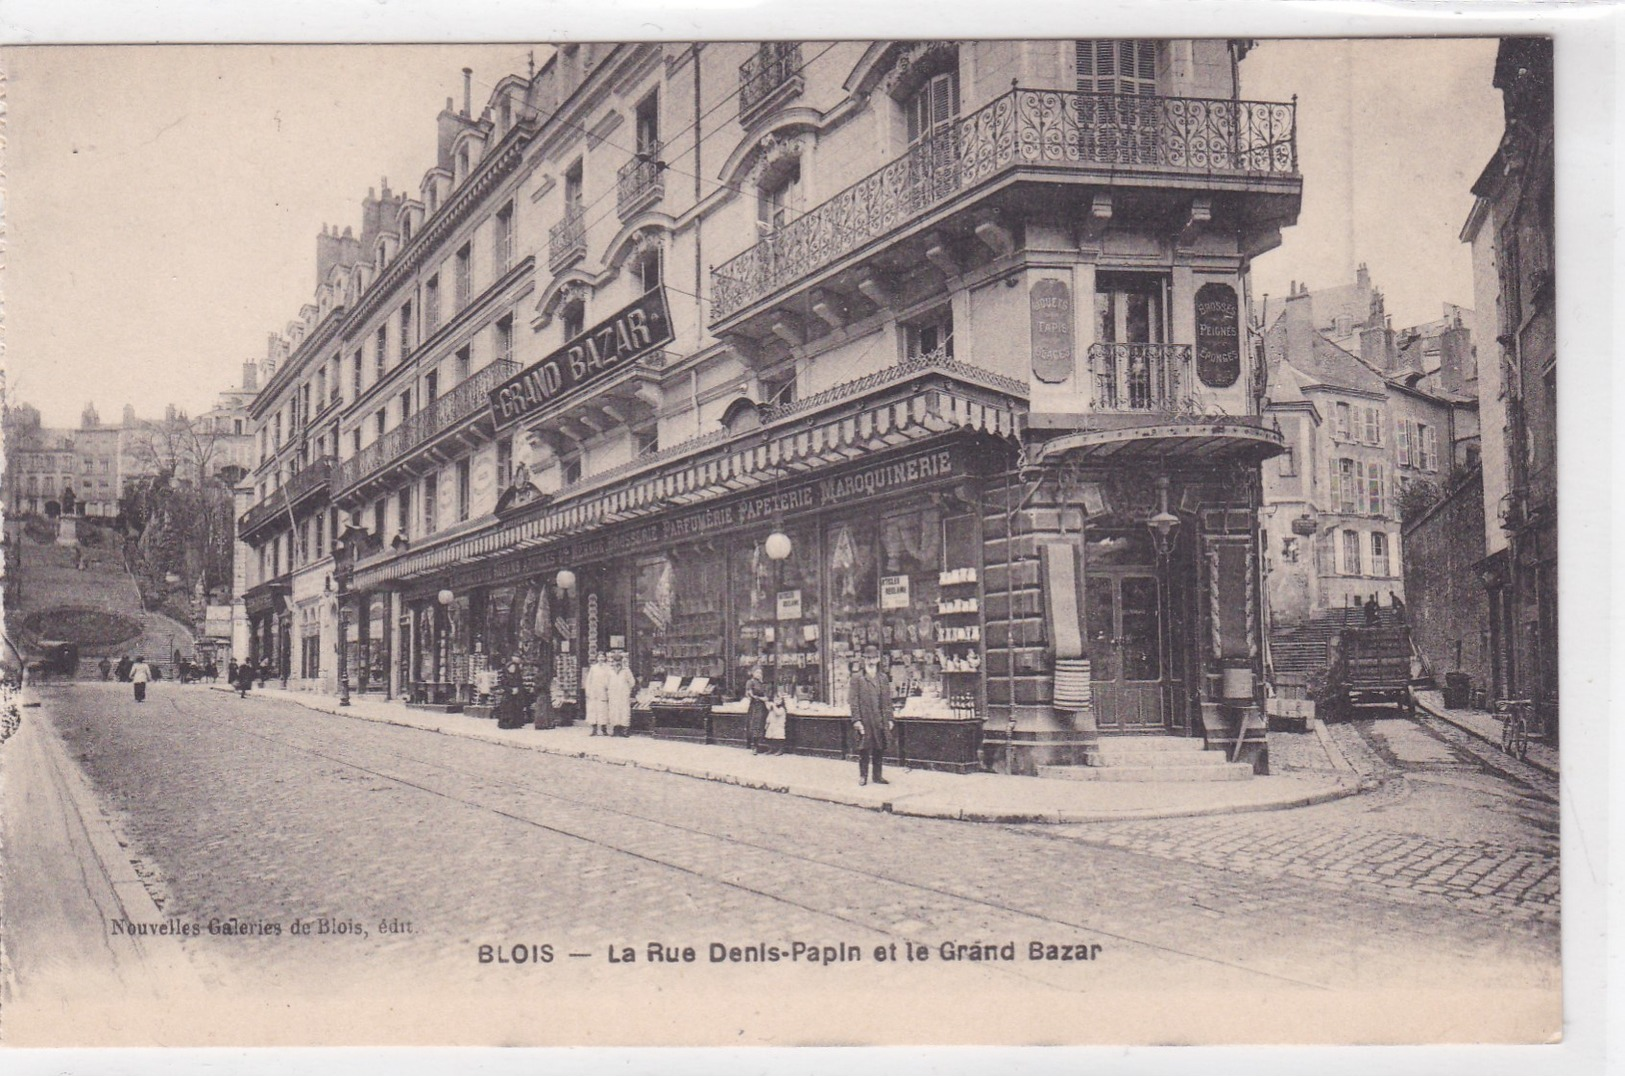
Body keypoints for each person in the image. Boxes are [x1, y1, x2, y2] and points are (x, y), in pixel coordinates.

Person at [849, 644, 894, 786]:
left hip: (880, 718)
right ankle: (863, 776)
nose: (871, 661)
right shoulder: (857, 678)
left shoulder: (883, 678)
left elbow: (887, 700)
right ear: (863, 659)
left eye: (874, 658)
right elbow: (853, 700)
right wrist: (856, 720)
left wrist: (890, 718)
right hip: (865, 718)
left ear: (878, 659)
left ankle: (877, 776)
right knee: (864, 748)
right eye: (868, 658)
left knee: (879, 747)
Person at [495, 656, 531, 730]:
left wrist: (518, 689)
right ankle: (507, 723)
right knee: (508, 709)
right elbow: (503, 686)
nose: (512, 669)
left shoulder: (517, 676)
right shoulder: (505, 676)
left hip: (517, 696)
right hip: (508, 695)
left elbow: (520, 684)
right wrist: (511, 690)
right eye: (511, 668)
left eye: (514, 667)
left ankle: (516, 723)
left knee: (516, 708)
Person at [606, 651, 636, 737]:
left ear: (622, 661)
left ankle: (625, 730)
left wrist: (626, 690)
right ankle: (615, 729)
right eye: (615, 661)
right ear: (613, 661)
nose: (617, 663)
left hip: (623, 694)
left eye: (619, 661)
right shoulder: (610, 671)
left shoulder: (626, 671)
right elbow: (606, 682)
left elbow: (632, 682)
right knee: (614, 711)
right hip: (613, 694)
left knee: (624, 711)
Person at [583, 652, 610, 736]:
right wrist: (588, 691)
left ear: (605, 658)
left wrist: (608, 690)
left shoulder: (608, 668)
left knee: (603, 711)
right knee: (593, 711)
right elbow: (589, 680)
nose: (601, 659)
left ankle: (604, 729)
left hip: (603, 692)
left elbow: (610, 680)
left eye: (602, 657)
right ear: (597, 658)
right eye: (599, 657)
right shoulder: (593, 668)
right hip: (594, 692)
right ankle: (594, 729)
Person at [745, 666, 769, 753]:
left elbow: (766, 695)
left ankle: (760, 744)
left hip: (763, 707)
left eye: (760, 673)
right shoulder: (750, 682)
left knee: (762, 725)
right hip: (755, 706)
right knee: (755, 725)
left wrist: (764, 698)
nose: (759, 674)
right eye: (757, 672)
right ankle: (754, 746)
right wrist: (760, 698)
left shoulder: (761, 683)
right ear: (753, 673)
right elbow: (750, 694)